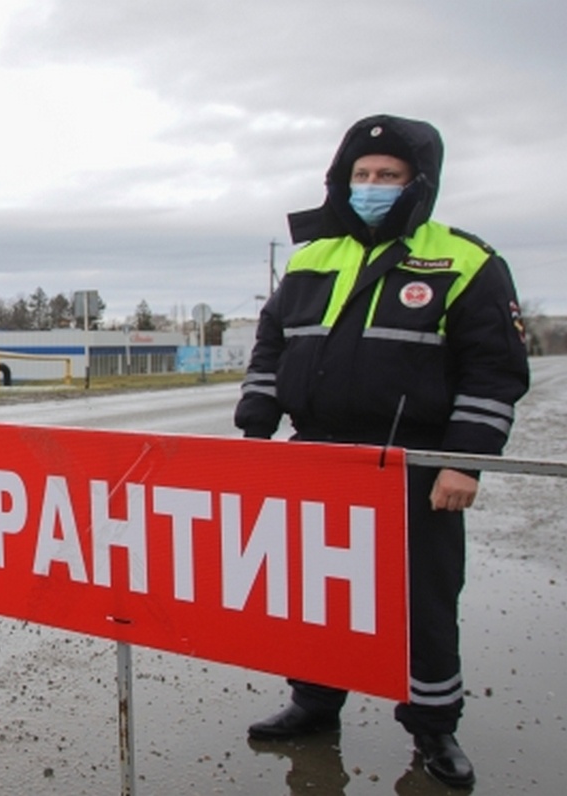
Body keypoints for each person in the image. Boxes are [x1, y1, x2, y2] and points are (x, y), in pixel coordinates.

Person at [234, 114, 529, 788]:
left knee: (421, 601)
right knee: (316, 592)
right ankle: (314, 700)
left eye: (387, 176)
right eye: (361, 176)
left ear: (417, 184)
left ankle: (433, 729)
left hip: (415, 466)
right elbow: (273, 345)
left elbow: (495, 371)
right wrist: (257, 423)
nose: (372, 186)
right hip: (318, 459)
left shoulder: (465, 260)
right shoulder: (314, 256)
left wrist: (465, 460)